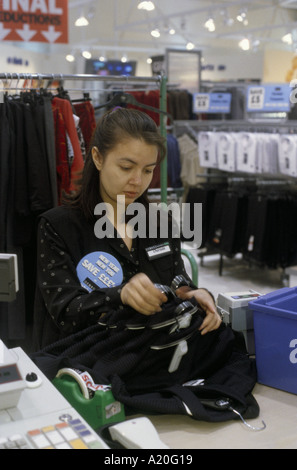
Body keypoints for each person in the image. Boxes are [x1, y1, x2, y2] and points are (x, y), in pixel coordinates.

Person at [32, 108, 221, 350]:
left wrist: (192, 293)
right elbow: (65, 310)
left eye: (147, 170)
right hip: (89, 361)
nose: (137, 181)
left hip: (156, 353)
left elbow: (177, 280)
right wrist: (120, 295)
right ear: (98, 158)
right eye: (126, 167)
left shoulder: (160, 223)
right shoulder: (58, 228)